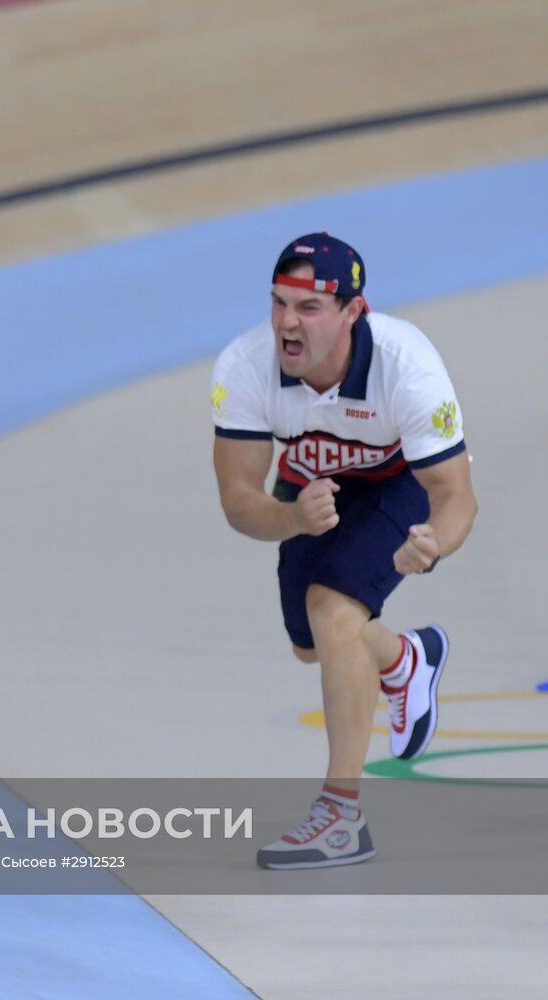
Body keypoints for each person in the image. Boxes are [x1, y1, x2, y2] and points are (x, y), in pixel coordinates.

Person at [210, 232, 477, 869]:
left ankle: (341, 816)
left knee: (334, 612)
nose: (285, 324)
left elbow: (457, 495)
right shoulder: (244, 368)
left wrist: (432, 545)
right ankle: (405, 658)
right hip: (312, 491)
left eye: (307, 308)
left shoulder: (407, 366)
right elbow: (237, 499)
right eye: (278, 304)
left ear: (353, 312)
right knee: (313, 644)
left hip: (397, 483)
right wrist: (289, 515)